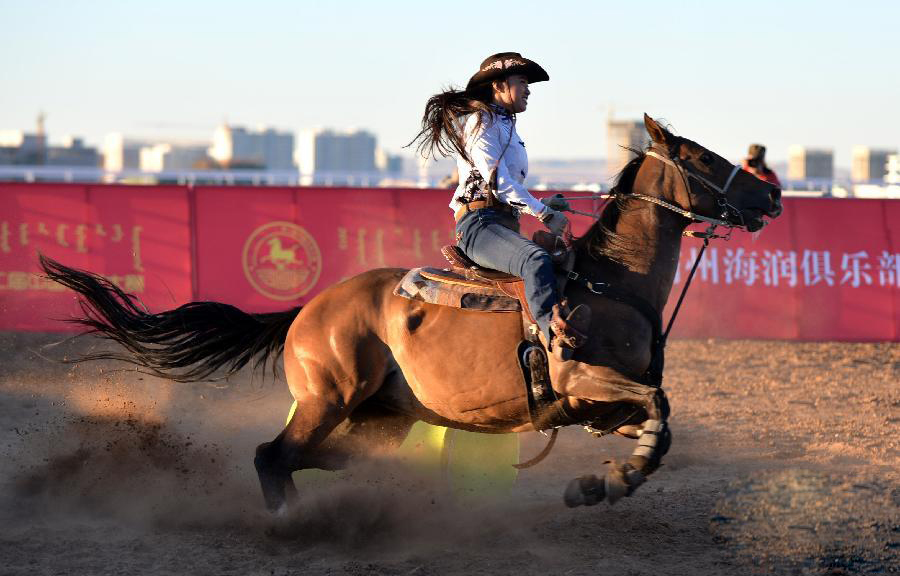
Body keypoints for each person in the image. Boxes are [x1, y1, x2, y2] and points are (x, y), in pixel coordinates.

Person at [410, 52, 590, 360]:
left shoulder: (505, 126)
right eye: (522, 82)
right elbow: (499, 184)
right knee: (535, 261)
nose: (529, 89)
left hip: (498, 222)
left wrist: (544, 203)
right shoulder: (483, 124)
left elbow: (502, 187)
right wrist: (543, 212)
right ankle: (554, 340)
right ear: (499, 86)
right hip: (479, 226)